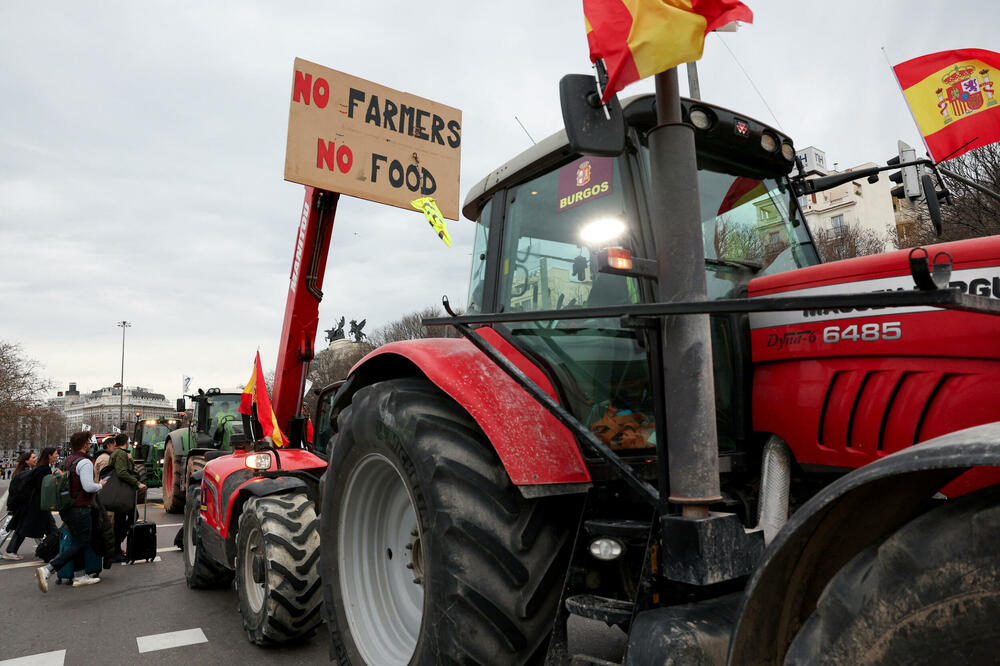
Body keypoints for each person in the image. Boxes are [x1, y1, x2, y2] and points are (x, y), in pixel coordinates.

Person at [35, 433, 107, 591]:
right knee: (82, 542)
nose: (89, 444)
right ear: (84, 445)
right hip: (80, 509)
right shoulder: (85, 462)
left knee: (78, 542)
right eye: (88, 442)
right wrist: (101, 484)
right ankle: (48, 569)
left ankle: (80, 576)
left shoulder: (69, 460)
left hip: (67, 508)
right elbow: (88, 486)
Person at [5, 449, 57, 560]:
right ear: (49, 456)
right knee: (49, 529)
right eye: (55, 454)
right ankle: (48, 552)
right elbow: (42, 488)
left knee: (25, 528)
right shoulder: (42, 470)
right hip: (37, 505)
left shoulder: (37, 469)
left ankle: (48, 551)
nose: (57, 455)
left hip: (33, 505)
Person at [109, 433, 146, 560]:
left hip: (121, 493)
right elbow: (122, 473)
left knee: (121, 521)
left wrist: (130, 459)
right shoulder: (120, 454)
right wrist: (137, 483)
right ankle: (114, 548)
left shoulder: (120, 453)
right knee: (130, 517)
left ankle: (116, 550)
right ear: (126, 442)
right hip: (123, 494)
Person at [2, 451, 37, 559]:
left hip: (17, 506)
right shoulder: (24, 473)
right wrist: (12, 506)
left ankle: (45, 548)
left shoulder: (20, 472)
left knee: (11, 529)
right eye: (33, 457)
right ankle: (11, 551)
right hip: (20, 506)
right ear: (26, 460)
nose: (36, 458)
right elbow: (18, 492)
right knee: (10, 529)